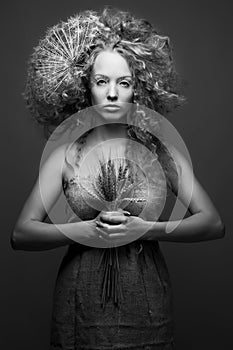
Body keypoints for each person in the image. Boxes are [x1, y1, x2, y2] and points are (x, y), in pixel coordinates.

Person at [11, 8, 225, 350]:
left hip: (148, 302)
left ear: (136, 90)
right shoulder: (67, 153)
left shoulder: (160, 151)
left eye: (123, 83)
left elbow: (213, 223)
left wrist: (146, 229)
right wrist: (85, 231)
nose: (112, 93)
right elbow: (20, 234)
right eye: (101, 82)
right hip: (80, 306)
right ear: (86, 89)